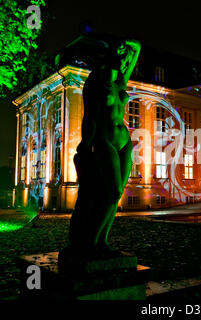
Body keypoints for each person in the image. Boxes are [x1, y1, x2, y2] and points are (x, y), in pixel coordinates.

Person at [67, 38, 141, 257]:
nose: (125, 59)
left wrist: (130, 45)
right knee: (112, 191)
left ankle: (102, 243)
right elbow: (88, 115)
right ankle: (90, 242)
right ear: (108, 58)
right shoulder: (94, 83)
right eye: (120, 56)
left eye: (124, 57)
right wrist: (85, 143)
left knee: (115, 196)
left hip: (124, 140)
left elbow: (136, 49)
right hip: (104, 139)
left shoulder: (120, 82)